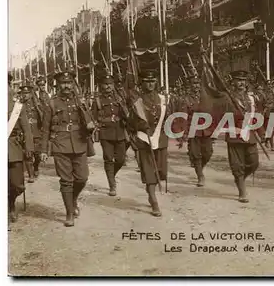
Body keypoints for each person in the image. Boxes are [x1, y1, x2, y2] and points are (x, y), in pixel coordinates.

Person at [40, 70, 95, 227]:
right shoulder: (51, 103)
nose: (66, 86)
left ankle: (73, 199)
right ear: (58, 85)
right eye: (63, 83)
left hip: (79, 142)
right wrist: (44, 150)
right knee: (66, 181)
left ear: (73, 84)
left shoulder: (80, 101)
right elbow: (45, 129)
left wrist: (89, 120)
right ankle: (69, 213)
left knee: (82, 178)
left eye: (69, 83)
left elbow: (90, 122)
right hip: (60, 144)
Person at [128, 70, 170, 217]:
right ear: (142, 83)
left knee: (161, 170)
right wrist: (139, 126)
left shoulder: (163, 99)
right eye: (147, 81)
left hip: (161, 138)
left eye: (153, 81)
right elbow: (130, 122)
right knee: (148, 170)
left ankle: (150, 190)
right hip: (144, 138)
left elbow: (169, 117)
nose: (150, 84)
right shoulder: (137, 101)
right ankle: (153, 201)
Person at [222, 70, 263, 203]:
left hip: (249, 133)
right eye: (238, 80)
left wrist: (261, 132)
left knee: (254, 163)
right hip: (235, 133)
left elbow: (256, 115)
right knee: (237, 164)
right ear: (233, 82)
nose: (241, 83)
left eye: (243, 80)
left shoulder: (251, 98)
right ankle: (242, 190)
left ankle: (240, 178)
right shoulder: (228, 97)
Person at [92, 71, 129, 196]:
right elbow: (93, 117)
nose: (108, 86)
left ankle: (111, 174)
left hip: (119, 131)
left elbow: (127, 114)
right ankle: (112, 185)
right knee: (108, 159)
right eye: (105, 84)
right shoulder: (98, 100)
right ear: (101, 85)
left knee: (121, 159)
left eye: (110, 84)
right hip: (105, 132)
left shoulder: (119, 98)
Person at [179, 75, 214, 187]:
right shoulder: (186, 99)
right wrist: (184, 132)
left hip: (206, 129)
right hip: (193, 129)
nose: (196, 86)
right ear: (190, 85)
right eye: (194, 83)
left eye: (198, 83)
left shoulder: (206, 97)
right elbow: (184, 116)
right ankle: (200, 176)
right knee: (195, 153)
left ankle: (199, 167)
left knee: (208, 152)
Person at [8, 73, 34, 223]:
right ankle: (10, 207)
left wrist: (29, 147)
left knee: (18, 184)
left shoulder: (17, 105)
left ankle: (10, 201)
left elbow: (26, 128)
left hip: (14, 147)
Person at [19, 81, 44, 183]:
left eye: (27, 93)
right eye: (24, 93)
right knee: (28, 154)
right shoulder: (19, 105)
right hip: (26, 133)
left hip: (36, 132)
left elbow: (42, 117)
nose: (25, 95)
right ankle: (31, 175)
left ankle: (36, 166)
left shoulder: (37, 104)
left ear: (31, 94)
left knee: (37, 154)